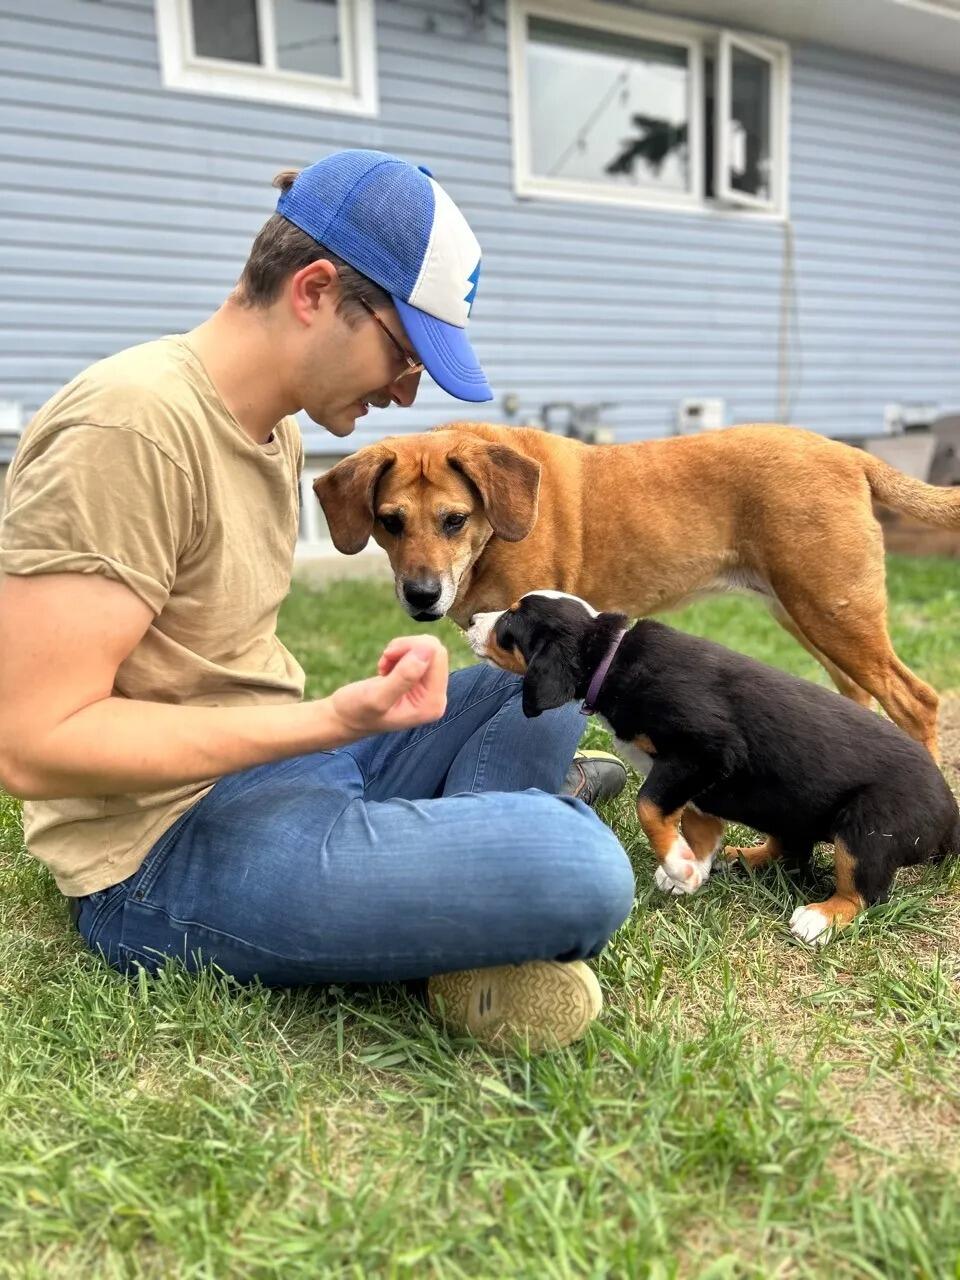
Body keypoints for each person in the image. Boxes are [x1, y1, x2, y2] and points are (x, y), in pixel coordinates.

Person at [0, 150, 633, 1051]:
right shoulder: (128, 429)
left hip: (292, 778)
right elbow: (35, 744)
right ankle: (478, 873)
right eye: (405, 354)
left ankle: (447, 881)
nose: (407, 391)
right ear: (316, 290)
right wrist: (331, 722)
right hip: (162, 851)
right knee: (584, 870)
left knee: (544, 663)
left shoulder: (276, 430)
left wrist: (337, 731)